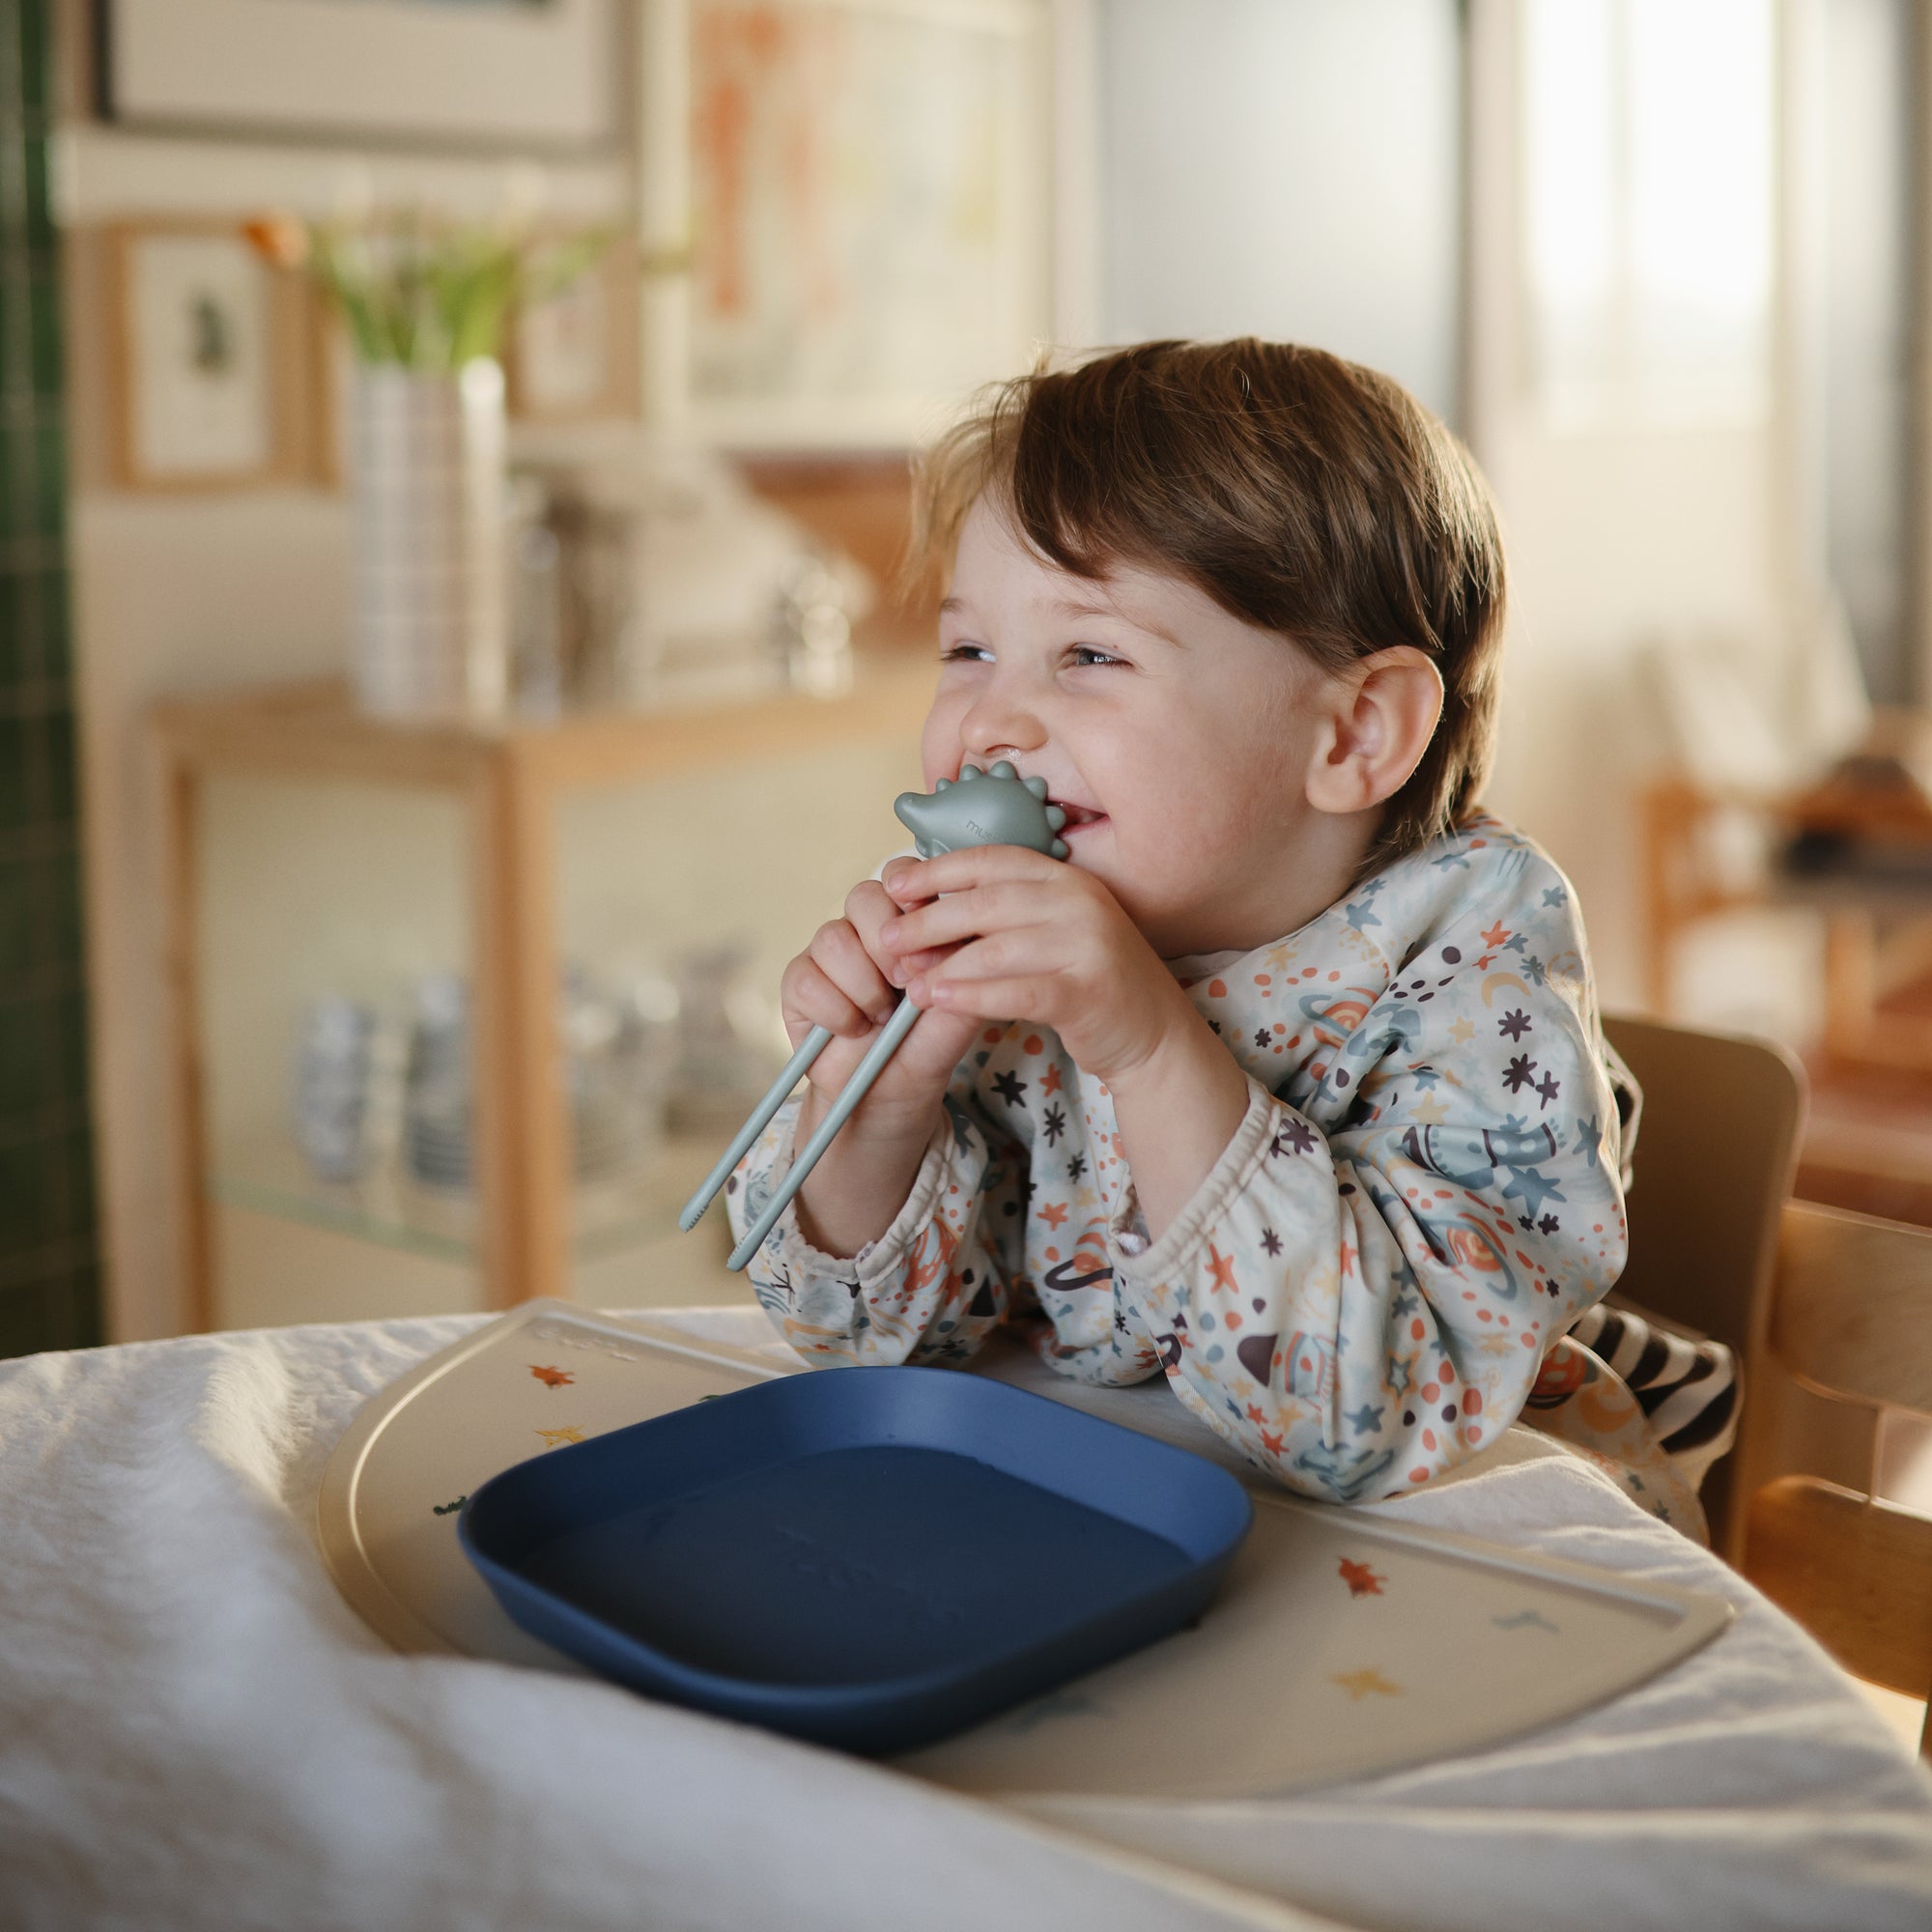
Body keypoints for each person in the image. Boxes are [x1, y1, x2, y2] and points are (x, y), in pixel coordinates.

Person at [724, 339, 1727, 1535]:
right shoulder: (1027, 944)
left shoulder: (1470, 956)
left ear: (1352, 733)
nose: (988, 721)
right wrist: (874, 1101)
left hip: (1451, 1538)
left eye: (1089, 653)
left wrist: (1148, 1047)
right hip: (1110, 1506)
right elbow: (862, 1346)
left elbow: (1362, 1413)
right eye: (967, 650)